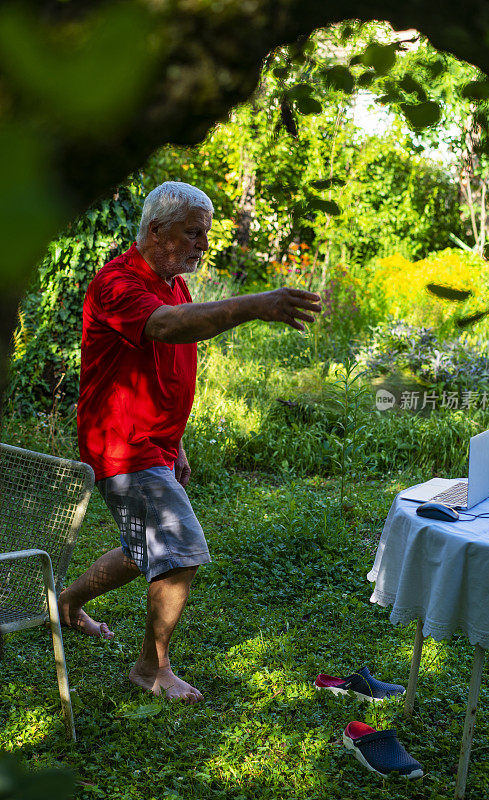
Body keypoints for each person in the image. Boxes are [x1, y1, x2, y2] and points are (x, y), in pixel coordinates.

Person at [59, 181, 321, 703]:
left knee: (145, 552)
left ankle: (65, 604)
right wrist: (256, 304)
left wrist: (174, 441)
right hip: (121, 445)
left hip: (151, 442)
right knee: (177, 551)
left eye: (205, 234)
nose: (202, 245)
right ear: (156, 231)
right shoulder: (118, 282)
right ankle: (151, 669)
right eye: (193, 233)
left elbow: (166, 368)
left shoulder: (173, 281)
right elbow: (167, 329)